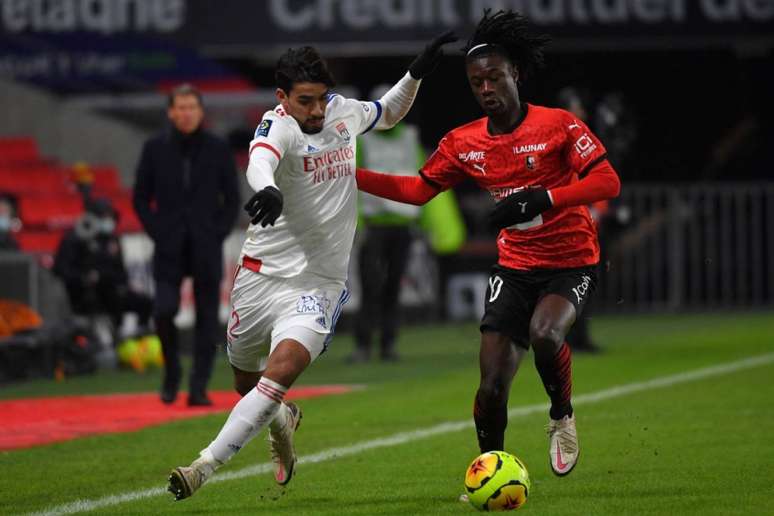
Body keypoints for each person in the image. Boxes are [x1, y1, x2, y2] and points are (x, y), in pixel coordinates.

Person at [167, 35, 457, 501]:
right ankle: (282, 419)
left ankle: (203, 465)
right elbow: (259, 162)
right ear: (282, 98)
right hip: (260, 277)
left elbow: (388, 112)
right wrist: (268, 188)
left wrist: (416, 71)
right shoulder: (277, 125)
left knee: (280, 370)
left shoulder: (341, 112)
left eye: (321, 97)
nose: (318, 110)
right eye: (306, 101)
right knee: (247, 383)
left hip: (319, 282)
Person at [354, 9, 620, 482]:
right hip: (514, 267)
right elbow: (418, 191)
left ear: (515, 73)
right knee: (492, 386)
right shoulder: (463, 142)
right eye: (477, 83)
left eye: (494, 77)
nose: (486, 89)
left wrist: (544, 197)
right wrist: (347, 175)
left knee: (545, 333)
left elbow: (607, 180)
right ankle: (488, 470)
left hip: (570, 261)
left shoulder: (557, 124)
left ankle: (561, 414)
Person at [133, 84, 241, 406]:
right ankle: (172, 372)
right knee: (164, 310)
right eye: (180, 108)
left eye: (191, 107)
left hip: (206, 244)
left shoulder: (218, 148)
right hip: (168, 245)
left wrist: (217, 232)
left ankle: (198, 386)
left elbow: (232, 198)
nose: (186, 113)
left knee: (208, 318)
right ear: (170, 112)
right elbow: (140, 197)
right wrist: (157, 230)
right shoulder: (154, 147)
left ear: (201, 111)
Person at [349, 85, 426, 363]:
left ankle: (388, 344)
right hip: (373, 225)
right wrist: (356, 224)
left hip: (403, 225)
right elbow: (352, 183)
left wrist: (425, 223)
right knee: (370, 285)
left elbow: (424, 181)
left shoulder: (410, 138)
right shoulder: (363, 141)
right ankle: (363, 344)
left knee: (393, 286)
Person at [53, 198, 152, 328]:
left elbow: (120, 272)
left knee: (145, 303)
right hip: (86, 294)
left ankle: (139, 336)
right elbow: (61, 270)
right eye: (105, 216)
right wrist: (85, 278)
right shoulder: (74, 239)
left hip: (112, 291)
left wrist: (123, 284)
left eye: (110, 216)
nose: (108, 220)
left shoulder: (112, 240)